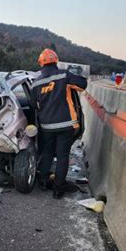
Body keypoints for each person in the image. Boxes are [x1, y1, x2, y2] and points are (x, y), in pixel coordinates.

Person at [31, 49, 87, 199]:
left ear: (41, 63)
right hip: (66, 125)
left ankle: (43, 182)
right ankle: (58, 189)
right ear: (56, 60)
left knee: (47, 152)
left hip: (46, 127)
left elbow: (33, 104)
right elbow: (83, 85)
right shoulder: (64, 75)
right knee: (62, 155)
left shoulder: (35, 83)